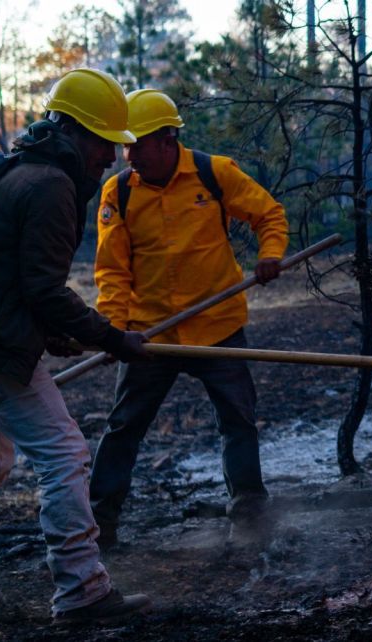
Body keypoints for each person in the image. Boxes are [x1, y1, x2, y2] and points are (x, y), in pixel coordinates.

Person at [0, 68, 151, 621]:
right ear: (79, 134)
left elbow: (9, 278)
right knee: (65, 454)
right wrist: (111, 338)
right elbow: (44, 289)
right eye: (107, 143)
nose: (111, 157)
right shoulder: (52, 186)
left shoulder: (23, 171)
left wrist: (55, 334)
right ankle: (82, 589)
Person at [89, 89, 288, 548]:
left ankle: (251, 515)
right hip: (148, 336)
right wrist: (114, 330)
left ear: (166, 139)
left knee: (238, 420)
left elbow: (269, 215)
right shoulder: (117, 192)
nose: (128, 154)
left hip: (216, 326)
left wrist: (271, 255)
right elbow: (112, 270)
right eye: (125, 146)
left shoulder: (212, 173)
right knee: (123, 427)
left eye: (136, 144)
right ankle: (98, 525)